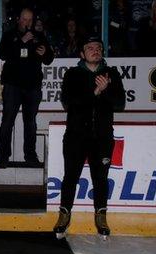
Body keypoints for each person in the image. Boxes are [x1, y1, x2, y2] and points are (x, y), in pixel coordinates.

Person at [54, 36, 126, 240]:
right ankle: (64, 215)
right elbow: (69, 103)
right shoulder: (73, 74)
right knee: (70, 177)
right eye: (90, 47)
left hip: (102, 138)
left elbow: (120, 103)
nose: (96, 50)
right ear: (82, 54)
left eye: (99, 48)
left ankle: (101, 217)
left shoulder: (111, 74)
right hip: (76, 136)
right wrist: (95, 91)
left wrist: (105, 90)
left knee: (100, 179)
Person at [0, 8, 54, 168]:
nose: (27, 23)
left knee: (30, 123)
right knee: (7, 121)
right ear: (18, 19)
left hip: (32, 86)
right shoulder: (9, 34)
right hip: (12, 85)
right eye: (24, 19)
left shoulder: (39, 36)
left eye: (30, 20)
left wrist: (45, 52)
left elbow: (49, 59)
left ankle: (30, 155)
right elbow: (3, 54)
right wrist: (22, 41)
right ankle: (3, 156)